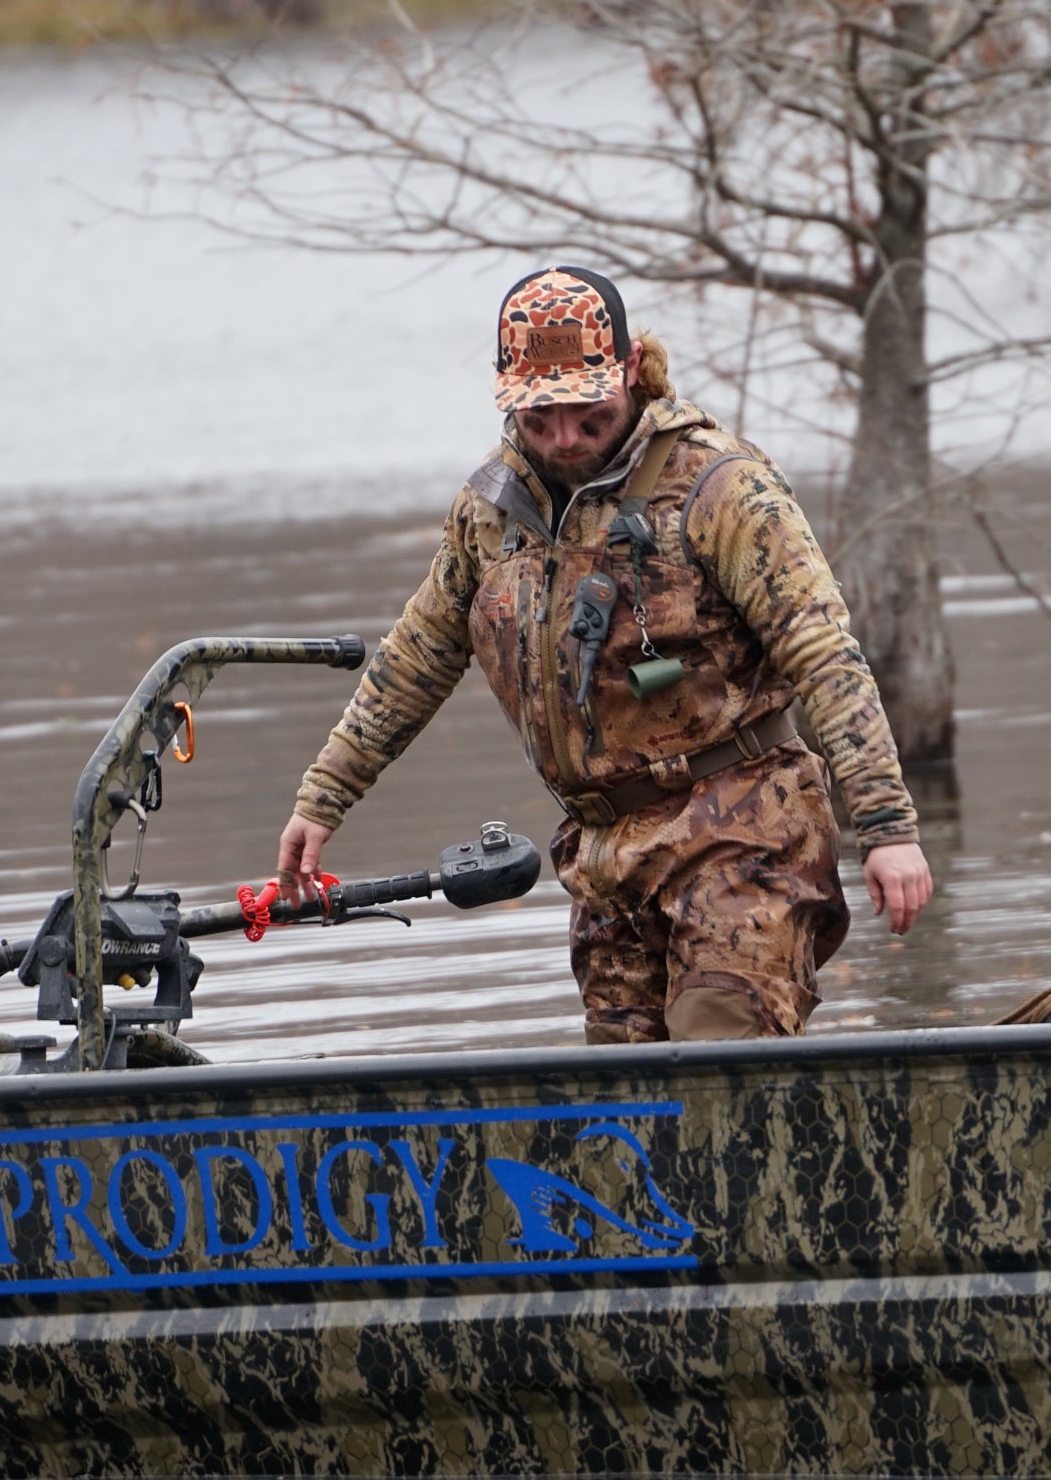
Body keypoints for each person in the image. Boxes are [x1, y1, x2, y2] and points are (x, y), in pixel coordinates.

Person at [277, 267, 932, 1043]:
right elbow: (417, 657)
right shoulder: (489, 513)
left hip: (744, 829)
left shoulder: (719, 488)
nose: (564, 437)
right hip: (604, 858)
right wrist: (323, 800)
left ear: (629, 370)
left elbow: (824, 654)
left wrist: (887, 827)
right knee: (629, 1112)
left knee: (722, 1056)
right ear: (507, 393)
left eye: (588, 412)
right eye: (541, 415)